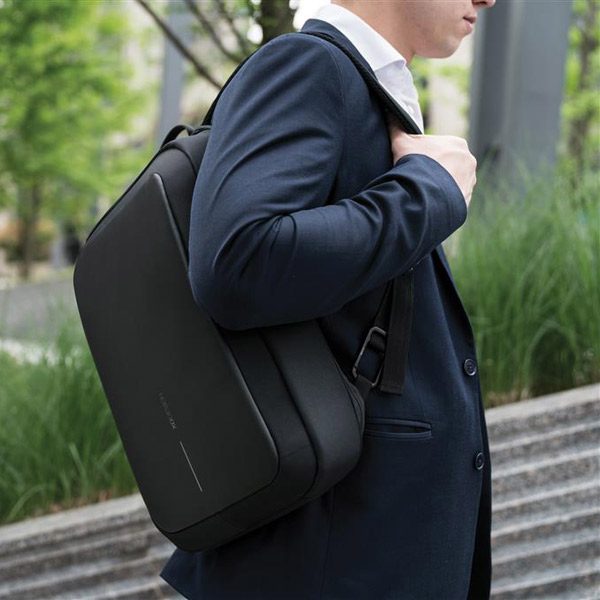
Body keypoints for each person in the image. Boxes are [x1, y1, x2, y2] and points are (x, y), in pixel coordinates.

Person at [160, 0, 496, 597]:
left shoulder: (358, 86)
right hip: (330, 558)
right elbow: (238, 261)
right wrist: (429, 191)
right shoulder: (308, 66)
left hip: (357, 548)